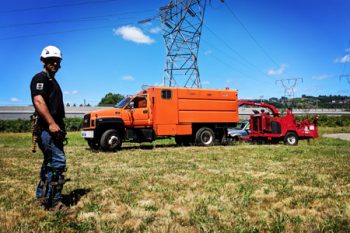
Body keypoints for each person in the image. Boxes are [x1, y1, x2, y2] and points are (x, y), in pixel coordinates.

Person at [30, 45, 68, 211]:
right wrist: (52, 123)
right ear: (43, 61)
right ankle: (54, 203)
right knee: (58, 162)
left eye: (57, 61)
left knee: (49, 163)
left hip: (54, 129)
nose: (55, 63)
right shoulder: (40, 78)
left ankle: (42, 197)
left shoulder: (53, 81)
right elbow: (39, 102)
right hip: (47, 129)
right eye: (51, 60)